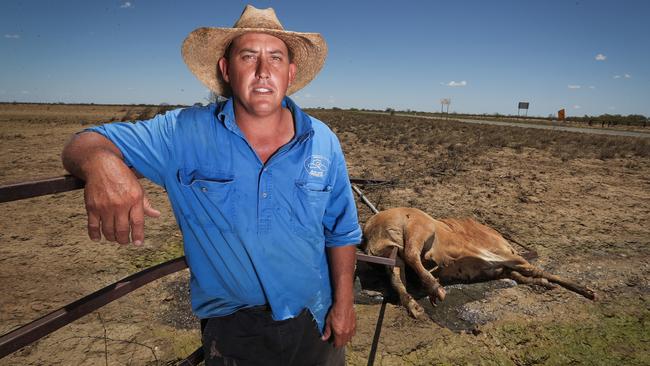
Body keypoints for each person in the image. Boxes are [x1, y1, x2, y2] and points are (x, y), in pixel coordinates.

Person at [61, 5, 361, 366]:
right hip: (234, 329)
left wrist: (344, 305)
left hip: (316, 318)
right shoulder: (182, 134)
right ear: (226, 69)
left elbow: (341, 231)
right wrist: (102, 164)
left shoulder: (322, 140)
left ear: (290, 72)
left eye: (276, 58)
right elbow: (85, 142)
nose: (263, 71)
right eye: (248, 56)